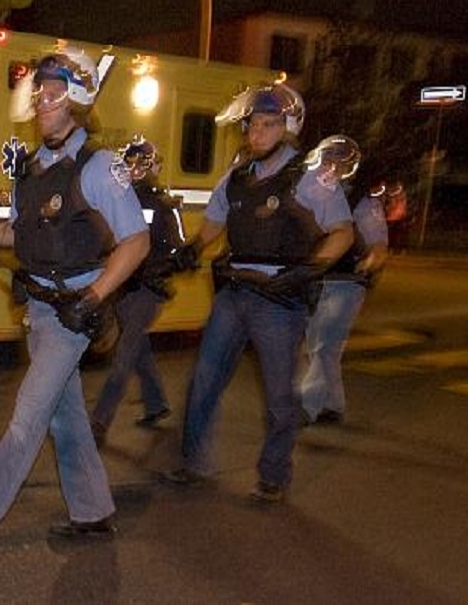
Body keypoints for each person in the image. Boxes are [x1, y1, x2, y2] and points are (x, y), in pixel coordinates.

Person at [0, 47, 150, 560]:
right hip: (37, 309)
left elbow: (136, 241)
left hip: (72, 312)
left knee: (29, 414)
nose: (40, 101)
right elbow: (25, 232)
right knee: (65, 414)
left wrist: (94, 297)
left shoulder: (98, 165)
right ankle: (93, 511)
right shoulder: (33, 168)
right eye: (38, 92)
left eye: (52, 93)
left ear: (77, 100)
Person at [162, 84, 353, 505]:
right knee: (204, 380)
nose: (257, 132)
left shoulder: (310, 178)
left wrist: (310, 268)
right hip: (234, 293)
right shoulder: (236, 177)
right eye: (253, 125)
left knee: (279, 396)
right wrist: (192, 249)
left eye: (268, 124)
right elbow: (215, 223)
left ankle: (273, 475)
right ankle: (194, 462)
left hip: (279, 300)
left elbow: (342, 232)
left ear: (288, 128)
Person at [89, 135, 185, 445]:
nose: (136, 170)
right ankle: (156, 404)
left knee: (124, 356)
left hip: (145, 291)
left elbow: (177, 250)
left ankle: (99, 421)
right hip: (123, 289)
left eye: (140, 164)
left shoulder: (161, 205)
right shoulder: (117, 199)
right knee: (138, 348)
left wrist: (161, 270)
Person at [299, 138, 388, 425]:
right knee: (320, 344)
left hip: (346, 281)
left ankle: (307, 407)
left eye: (337, 163)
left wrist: (368, 266)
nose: (330, 168)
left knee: (324, 343)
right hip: (317, 278)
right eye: (326, 161)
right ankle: (333, 404)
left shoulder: (362, 200)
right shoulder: (315, 192)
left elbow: (378, 244)